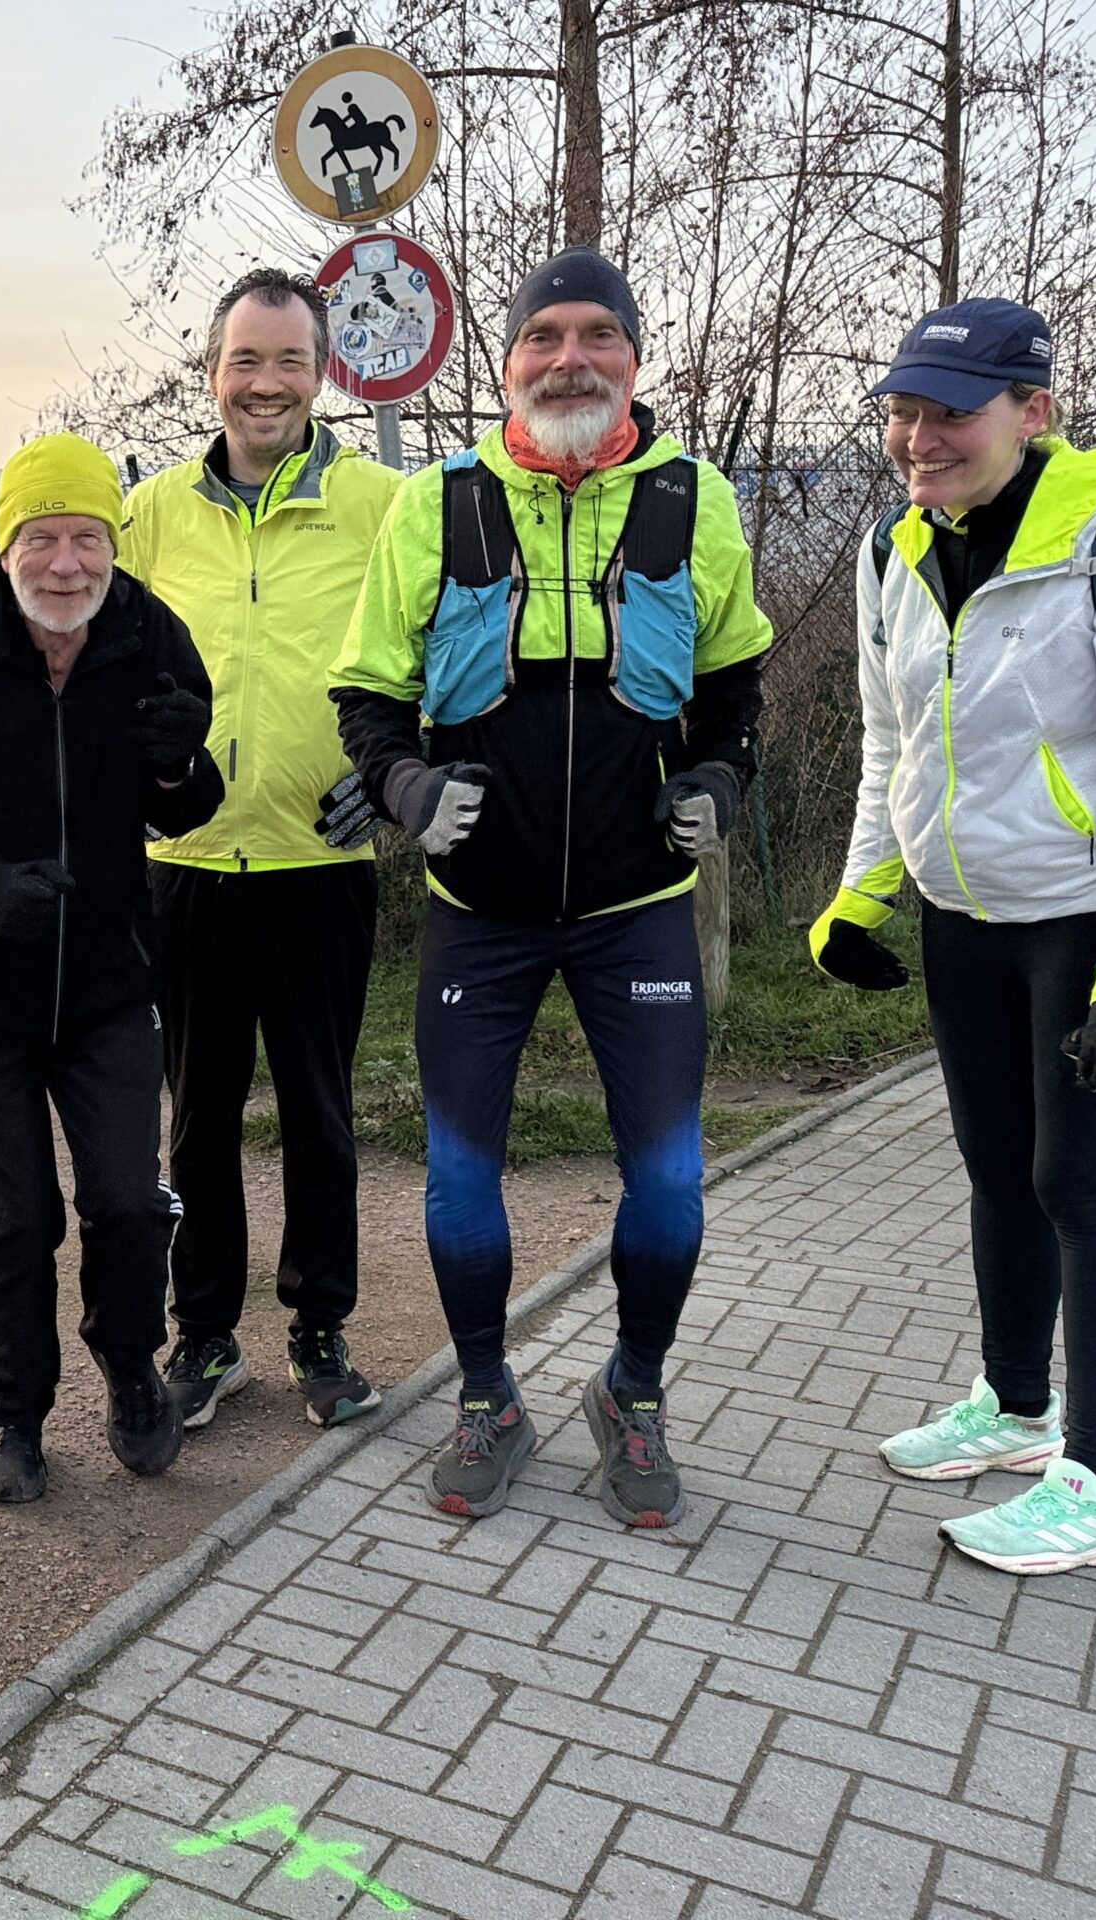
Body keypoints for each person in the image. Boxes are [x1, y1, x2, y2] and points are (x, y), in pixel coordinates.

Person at [331, 246, 772, 1530]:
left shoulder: (694, 500)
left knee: (671, 1184)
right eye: (543, 337)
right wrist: (406, 786)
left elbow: (734, 689)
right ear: (508, 358)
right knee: (457, 1184)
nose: (569, 359)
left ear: (633, 356)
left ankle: (632, 1392)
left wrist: (720, 779)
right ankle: (487, 1397)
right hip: (482, 918)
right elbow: (368, 692)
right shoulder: (439, 502)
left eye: (595, 336)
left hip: (639, 910)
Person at [813, 299, 1096, 1576]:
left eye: (952, 413)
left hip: (1092, 924)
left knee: (1085, 1187)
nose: (918, 438)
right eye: (903, 412)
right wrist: (863, 890)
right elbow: (891, 742)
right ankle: (1017, 1408)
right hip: (964, 916)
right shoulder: (893, 549)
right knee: (998, 1171)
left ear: (1032, 412)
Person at [0, 433, 223, 1503]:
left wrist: (181, 762)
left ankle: (131, 1368)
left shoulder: (151, 633)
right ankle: (13, 1415)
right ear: (5, 542)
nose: (66, 564)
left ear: (112, 542)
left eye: (87, 538)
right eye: (42, 538)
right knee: (20, 1217)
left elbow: (185, 808)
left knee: (126, 1202)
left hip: (110, 983)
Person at [119, 268, 401, 1433]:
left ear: (323, 374)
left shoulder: (384, 504)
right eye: (245, 360)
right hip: (184, 869)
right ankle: (206, 1334)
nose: (266, 382)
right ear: (212, 374)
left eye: (289, 360)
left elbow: (441, 650)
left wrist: (395, 774)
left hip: (319, 868)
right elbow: (102, 664)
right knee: (196, 1118)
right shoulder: (150, 514)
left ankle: (319, 1328)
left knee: (318, 1115)